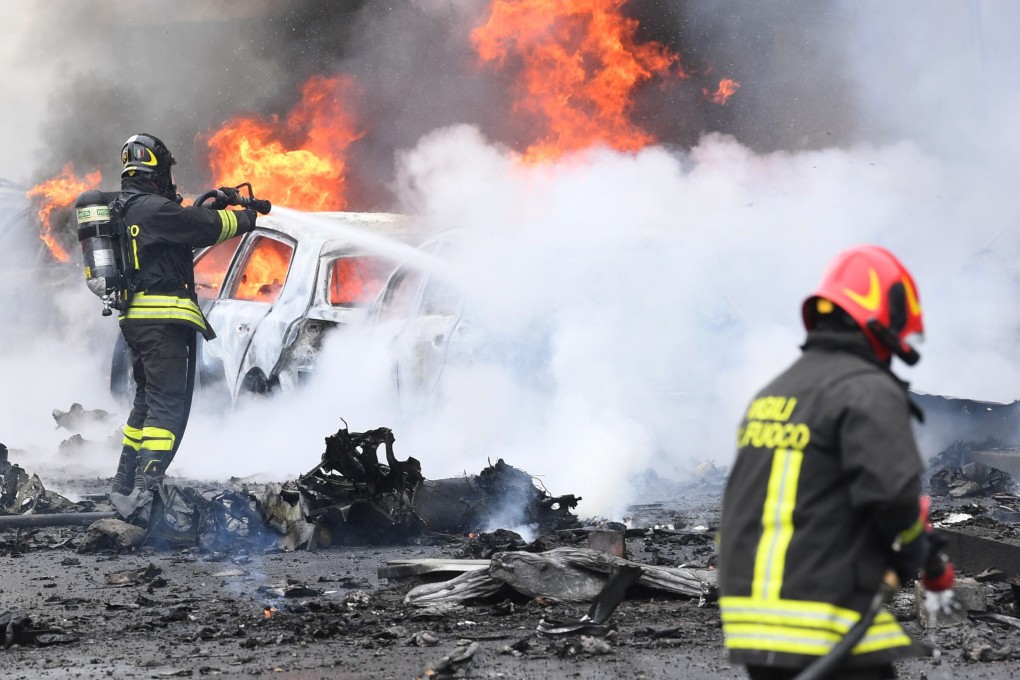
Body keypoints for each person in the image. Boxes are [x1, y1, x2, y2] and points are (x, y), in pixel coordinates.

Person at [718, 245, 953, 680]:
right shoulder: (866, 389)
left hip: (751, 622)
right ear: (887, 318)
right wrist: (919, 547)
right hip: (818, 614)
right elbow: (893, 498)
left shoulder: (775, 391)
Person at [110, 133, 261, 495]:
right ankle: (147, 488)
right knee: (167, 404)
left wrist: (213, 202)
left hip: (136, 321)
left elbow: (184, 227)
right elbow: (202, 226)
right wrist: (245, 219)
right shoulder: (154, 209)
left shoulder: (125, 209)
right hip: (161, 322)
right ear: (157, 169)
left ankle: (124, 480)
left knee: (146, 399)